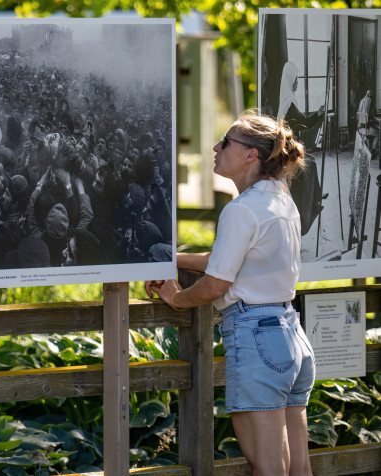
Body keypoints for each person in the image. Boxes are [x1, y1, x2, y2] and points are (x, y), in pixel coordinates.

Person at [145, 110, 315, 476]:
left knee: (268, 468)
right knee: (298, 469)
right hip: (291, 335)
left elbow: (216, 285)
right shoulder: (280, 199)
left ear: (250, 154)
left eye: (226, 142)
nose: (216, 147)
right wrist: (175, 259)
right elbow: (231, 256)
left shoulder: (241, 209)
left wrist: (176, 298)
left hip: (257, 339)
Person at [277, 61, 326, 236]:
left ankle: (317, 197)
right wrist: (319, 114)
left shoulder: (287, 100)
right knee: (310, 165)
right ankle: (312, 203)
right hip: (287, 151)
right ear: (290, 80)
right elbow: (303, 123)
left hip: (289, 147)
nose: (297, 82)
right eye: (296, 79)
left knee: (311, 162)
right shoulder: (288, 102)